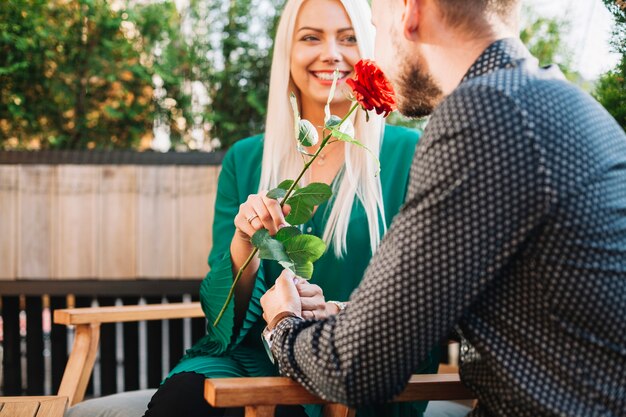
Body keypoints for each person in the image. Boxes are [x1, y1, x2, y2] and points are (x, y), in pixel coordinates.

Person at [260, 0, 626, 416]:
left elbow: (355, 370)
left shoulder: (485, 113)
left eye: (376, 25)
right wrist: (352, 314)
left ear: (409, 11)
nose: (373, 55)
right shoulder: (563, 103)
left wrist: (283, 324)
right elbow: (536, 305)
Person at [142, 0, 439, 417]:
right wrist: (245, 242)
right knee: (182, 400)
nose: (331, 52)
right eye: (310, 37)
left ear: (369, 50)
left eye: (349, 37)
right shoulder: (245, 160)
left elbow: (425, 297)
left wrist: (338, 312)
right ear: (288, 52)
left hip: (358, 364)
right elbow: (221, 316)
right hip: (253, 358)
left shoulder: (412, 155)